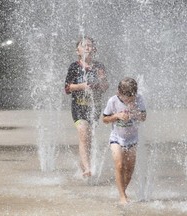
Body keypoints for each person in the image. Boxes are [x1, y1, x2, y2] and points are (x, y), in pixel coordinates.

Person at [64, 36, 109, 177]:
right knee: (83, 132)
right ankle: (88, 169)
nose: (87, 48)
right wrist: (82, 86)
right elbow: (67, 88)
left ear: (94, 49)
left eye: (90, 45)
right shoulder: (74, 66)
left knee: (89, 138)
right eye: (84, 45)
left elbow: (105, 87)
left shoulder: (99, 67)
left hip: (94, 107)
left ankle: (83, 163)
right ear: (78, 50)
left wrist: (101, 82)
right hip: (79, 106)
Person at [102, 77, 147, 204]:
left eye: (131, 98)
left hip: (132, 138)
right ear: (119, 93)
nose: (128, 100)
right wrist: (116, 116)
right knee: (119, 165)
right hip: (116, 138)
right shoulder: (113, 101)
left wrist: (134, 112)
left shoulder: (139, 99)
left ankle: (122, 191)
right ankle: (122, 197)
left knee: (129, 169)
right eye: (126, 98)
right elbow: (104, 119)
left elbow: (143, 117)